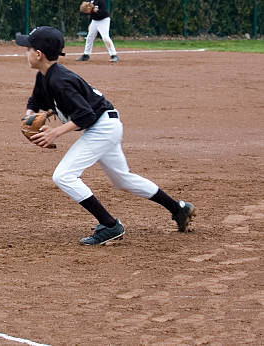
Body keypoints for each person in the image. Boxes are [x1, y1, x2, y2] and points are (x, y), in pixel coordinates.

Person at [14, 26, 195, 245]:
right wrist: (29, 117)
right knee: (122, 179)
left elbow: (86, 114)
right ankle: (179, 209)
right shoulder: (45, 76)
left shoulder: (60, 81)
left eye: (28, 48)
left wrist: (55, 133)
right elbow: (35, 102)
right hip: (105, 124)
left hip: (101, 127)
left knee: (63, 176)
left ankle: (110, 225)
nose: (26, 52)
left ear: (38, 54)